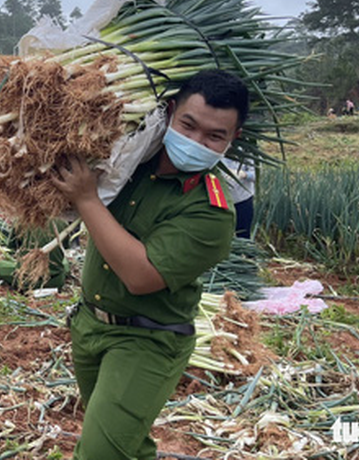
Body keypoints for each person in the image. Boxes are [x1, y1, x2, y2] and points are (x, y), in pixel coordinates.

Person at [51, 69, 249, 460]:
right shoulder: (128, 160)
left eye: (214, 136)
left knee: (99, 454)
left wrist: (87, 200)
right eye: (188, 125)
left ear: (232, 139)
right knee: (126, 447)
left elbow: (141, 276)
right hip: (89, 324)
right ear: (171, 111)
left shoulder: (211, 213)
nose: (195, 141)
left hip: (146, 342)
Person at [222, 156, 256, 239]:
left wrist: (243, 174)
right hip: (220, 200)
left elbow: (256, 174)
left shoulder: (247, 151)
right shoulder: (212, 148)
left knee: (243, 234)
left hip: (243, 199)